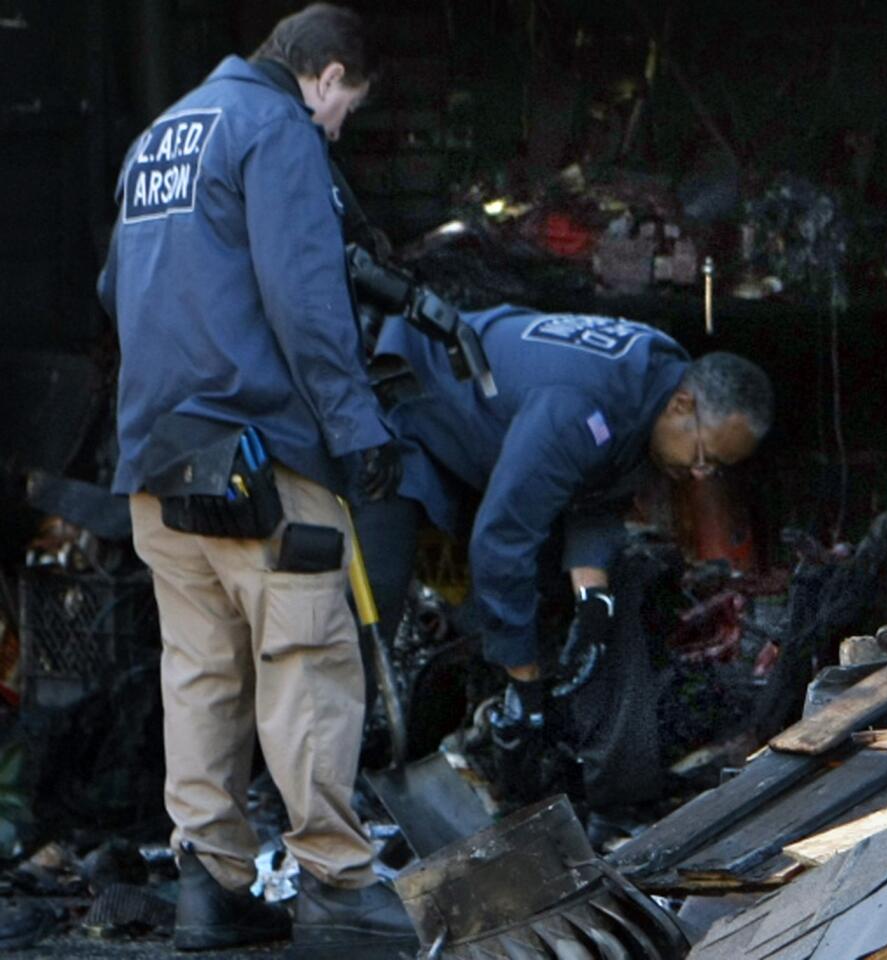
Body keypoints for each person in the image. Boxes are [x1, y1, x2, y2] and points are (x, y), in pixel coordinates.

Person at [97, 5, 416, 954]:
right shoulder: (275, 129)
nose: (338, 127)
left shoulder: (163, 133)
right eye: (346, 107)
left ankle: (213, 885)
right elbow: (307, 299)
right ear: (325, 74)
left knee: (199, 672)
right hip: (264, 461)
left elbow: (117, 288)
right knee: (305, 663)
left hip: (159, 461)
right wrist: (358, 431)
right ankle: (338, 885)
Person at [357, 306, 773, 799]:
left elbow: (598, 494)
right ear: (683, 405)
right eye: (705, 457)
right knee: (367, 613)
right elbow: (502, 538)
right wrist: (523, 681)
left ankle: (495, 732)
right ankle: (322, 786)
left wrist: (593, 601)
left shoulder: (657, 380)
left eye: (718, 468)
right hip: (396, 411)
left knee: (547, 596)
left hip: (499, 431)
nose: (703, 475)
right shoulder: (579, 411)